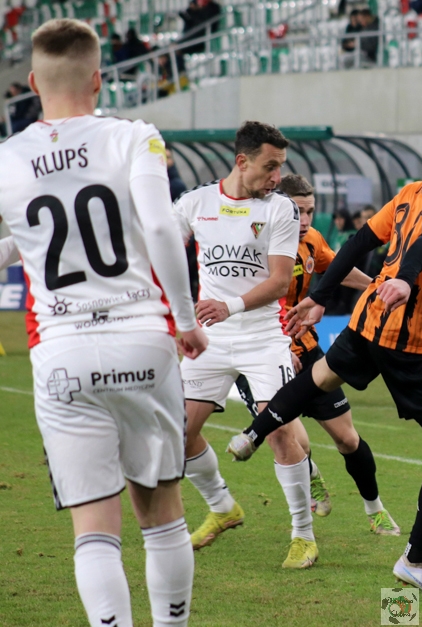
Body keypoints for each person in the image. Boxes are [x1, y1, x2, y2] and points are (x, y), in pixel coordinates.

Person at [227, 111, 422, 595]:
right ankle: (416, 560)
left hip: (367, 320)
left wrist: (320, 296)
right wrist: (407, 279)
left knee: (320, 376)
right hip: (411, 339)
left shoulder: (414, 189)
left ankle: (254, 433)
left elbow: (362, 239)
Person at [0, 18, 207, 627]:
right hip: (141, 339)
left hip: (61, 351)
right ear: (98, 78)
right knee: (162, 514)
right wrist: (187, 320)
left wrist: (24, 246)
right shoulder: (133, 137)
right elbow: (162, 227)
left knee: (93, 530)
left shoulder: (7, 158)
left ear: (32, 82)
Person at [172, 121, 321, 569]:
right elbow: (159, 252)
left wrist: (228, 306)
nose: (277, 177)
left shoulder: (280, 209)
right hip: (210, 338)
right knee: (178, 433)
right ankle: (222, 507)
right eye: (270, 167)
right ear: (242, 161)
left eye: (281, 167)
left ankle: (303, 536)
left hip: (262, 337)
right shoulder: (195, 203)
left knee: (278, 431)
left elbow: (280, 281)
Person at [230, 173, 401, 536]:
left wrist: (376, 287)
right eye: (298, 211)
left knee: (348, 439)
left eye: (310, 211)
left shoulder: (312, 240)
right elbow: (243, 302)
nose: (305, 220)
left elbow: (336, 269)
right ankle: (309, 478)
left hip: (307, 351)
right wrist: (280, 346)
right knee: (293, 439)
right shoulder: (254, 242)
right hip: (262, 352)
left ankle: (375, 509)